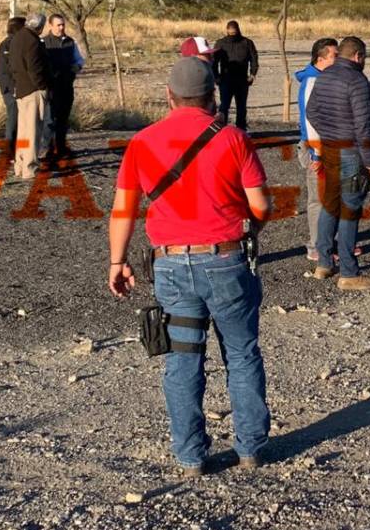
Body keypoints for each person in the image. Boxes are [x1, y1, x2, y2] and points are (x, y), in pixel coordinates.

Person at [107, 57, 271, 477]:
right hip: (226, 260)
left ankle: (191, 456)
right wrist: (248, 229)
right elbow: (260, 205)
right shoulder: (233, 138)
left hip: (171, 265)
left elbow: (123, 210)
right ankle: (250, 448)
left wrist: (117, 261)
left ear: (169, 95)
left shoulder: (142, 142)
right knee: (242, 353)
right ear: (213, 95)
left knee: (182, 360)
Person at [306, 36, 370, 291]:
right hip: (352, 153)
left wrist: (329, 133)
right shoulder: (357, 81)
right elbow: (364, 126)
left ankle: (324, 263)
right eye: (364, 57)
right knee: (349, 210)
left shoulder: (324, 75)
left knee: (330, 205)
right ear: (358, 56)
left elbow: (311, 112)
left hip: (330, 149)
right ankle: (348, 272)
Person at [294, 37, 339, 261]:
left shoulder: (325, 79)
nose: (339, 59)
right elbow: (310, 121)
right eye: (335, 56)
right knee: (318, 198)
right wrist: (316, 154)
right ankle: (316, 246)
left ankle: (330, 242)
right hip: (316, 148)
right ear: (321, 59)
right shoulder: (313, 81)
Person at [8, 13, 51, 180]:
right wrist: (42, 85)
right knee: (33, 131)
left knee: (23, 132)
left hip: (21, 89)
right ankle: (30, 168)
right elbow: (34, 68)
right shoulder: (32, 41)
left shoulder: (17, 38)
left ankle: (20, 165)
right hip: (33, 91)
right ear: (39, 27)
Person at [42, 13, 84, 157]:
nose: (61, 27)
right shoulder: (43, 42)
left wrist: (75, 68)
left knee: (63, 119)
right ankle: (46, 149)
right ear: (50, 25)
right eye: (58, 25)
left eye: (63, 25)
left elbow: (79, 60)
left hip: (66, 86)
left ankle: (61, 148)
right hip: (51, 88)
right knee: (49, 119)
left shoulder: (70, 42)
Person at [213, 20, 259, 130]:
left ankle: (241, 130)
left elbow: (254, 59)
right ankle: (221, 131)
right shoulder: (221, 43)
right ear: (227, 31)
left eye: (234, 32)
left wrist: (252, 74)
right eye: (230, 32)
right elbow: (214, 62)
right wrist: (216, 77)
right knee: (224, 107)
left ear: (238, 30)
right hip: (225, 80)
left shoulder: (247, 43)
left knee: (241, 108)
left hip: (242, 80)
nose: (232, 34)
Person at [0, 16, 26, 157]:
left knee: (21, 121)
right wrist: (12, 88)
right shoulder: (8, 44)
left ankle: (21, 150)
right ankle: (10, 151)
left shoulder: (16, 42)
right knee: (13, 120)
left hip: (15, 87)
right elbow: (8, 70)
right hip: (11, 89)